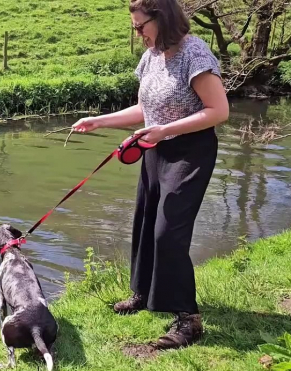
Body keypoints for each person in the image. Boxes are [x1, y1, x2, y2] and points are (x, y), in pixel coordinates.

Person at [72, 0, 229, 349]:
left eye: (141, 26)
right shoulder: (151, 56)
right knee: (145, 224)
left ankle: (188, 319)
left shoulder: (195, 54)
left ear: (162, 17)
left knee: (167, 232)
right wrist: (99, 120)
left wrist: (164, 130)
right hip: (154, 149)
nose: (138, 33)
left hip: (190, 153)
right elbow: (145, 109)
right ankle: (143, 293)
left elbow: (219, 111)